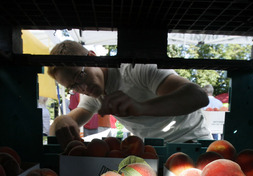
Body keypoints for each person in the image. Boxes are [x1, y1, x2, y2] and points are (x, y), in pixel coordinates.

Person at [47, 40, 213, 148]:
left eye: (80, 75)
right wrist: (62, 120)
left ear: (92, 57)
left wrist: (140, 107)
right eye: (73, 86)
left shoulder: (135, 69)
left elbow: (198, 96)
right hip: (155, 150)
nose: (82, 87)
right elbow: (68, 123)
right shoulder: (92, 94)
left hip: (192, 143)